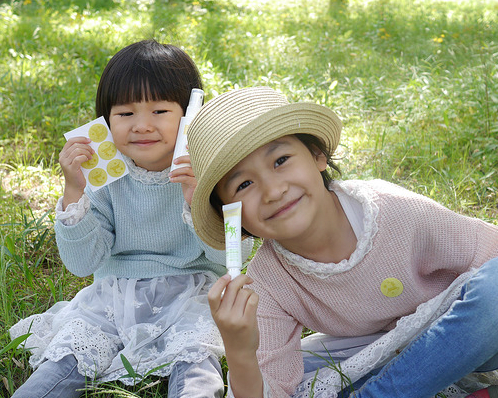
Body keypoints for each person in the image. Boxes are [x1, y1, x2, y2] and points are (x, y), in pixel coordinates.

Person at [185, 86, 498, 398]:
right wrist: (239, 349)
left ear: (318, 155)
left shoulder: (390, 209)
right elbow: (270, 390)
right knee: (317, 380)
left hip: (466, 331)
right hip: (382, 355)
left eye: (280, 160)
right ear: (231, 216)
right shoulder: (269, 282)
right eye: (244, 184)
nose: (273, 191)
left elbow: (490, 255)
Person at [9, 40, 252, 398]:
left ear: (189, 117)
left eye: (159, 112)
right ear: (105, 121)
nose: (141, 126)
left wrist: (198, 200)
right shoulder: (105, 177)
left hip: (192, 292)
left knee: (197, 364)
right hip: (114, 296)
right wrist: (74, 192)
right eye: (125, 114)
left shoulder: (206, 172)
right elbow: (81, 263)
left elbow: (232, 260)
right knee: (67, 359)